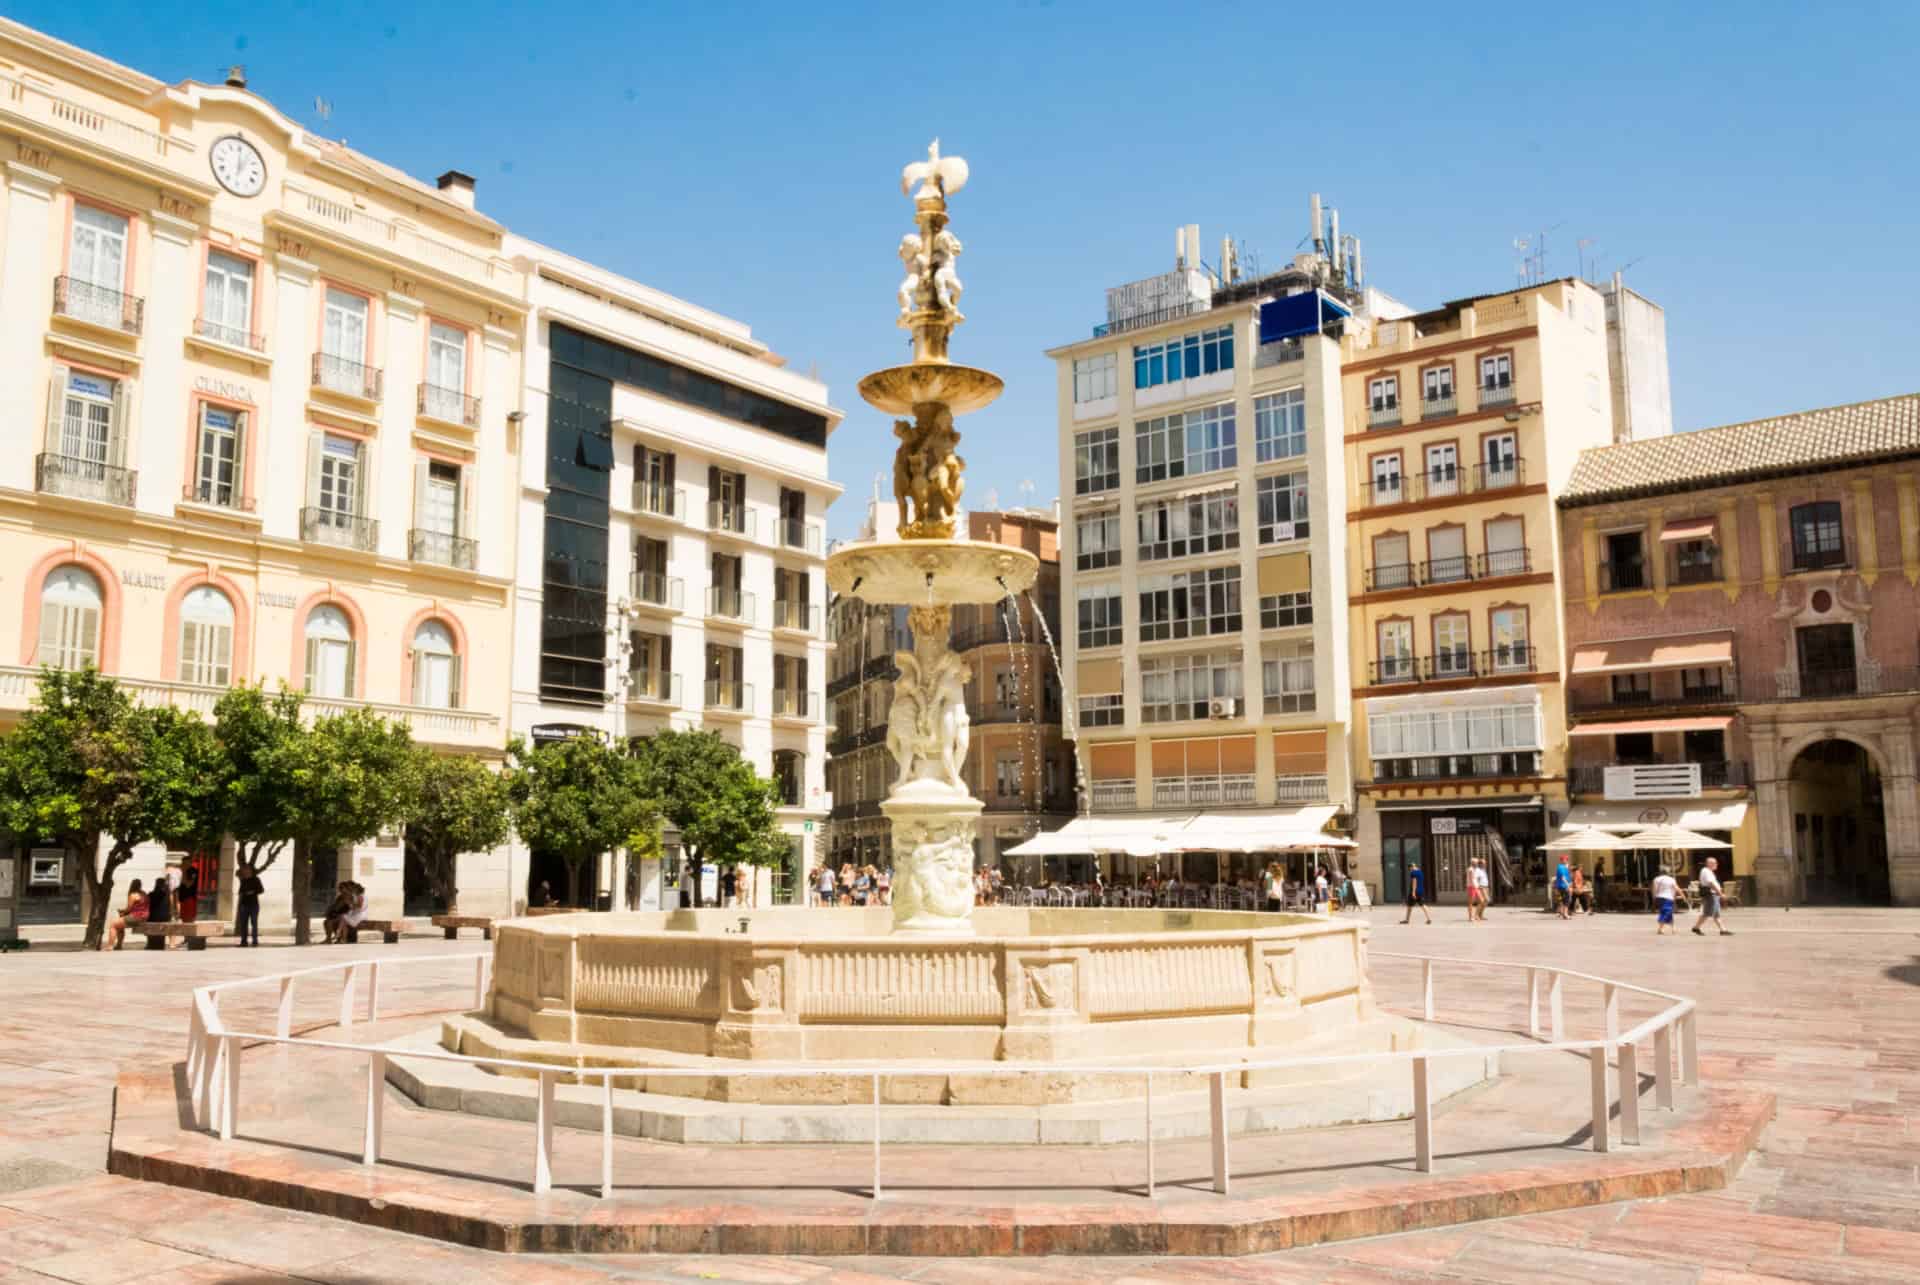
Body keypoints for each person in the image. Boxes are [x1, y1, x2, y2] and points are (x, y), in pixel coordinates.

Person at [1692, 856, 1731, 936]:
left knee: (1716, 913)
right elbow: (1711, 883)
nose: (1717, 864)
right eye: (1715, 863)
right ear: (1709, 864)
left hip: (1713, 894)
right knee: (1707, 913)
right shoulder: (1706, 871)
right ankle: (1696, 927)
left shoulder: (1708, 871)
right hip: (1711, 894)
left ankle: (1723, 930)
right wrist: (1720, 894)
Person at [104, 879, 148, 951]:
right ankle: (118, 945)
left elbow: (129, 909)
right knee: (120, 925)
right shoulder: (144, 894)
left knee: (113, 925)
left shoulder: (133, 895)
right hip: (145, 916)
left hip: (136, 916)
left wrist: (122, 912)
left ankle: (110, 946)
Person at [236, 863, 264, 947]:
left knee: (254, 923)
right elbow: (240, 892)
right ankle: (243, 941)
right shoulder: (243, 880)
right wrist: (240, 904)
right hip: (244, 905)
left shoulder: (256, 879)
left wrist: (253, 892)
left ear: (251, 870)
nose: (246, 871)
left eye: (247, 869)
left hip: (253, 905)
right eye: (245, 869)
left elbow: (261, 890)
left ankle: (255, 941)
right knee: (243, 924)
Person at [1651, 867, 1680, 935]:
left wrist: (1654, 897)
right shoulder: (1671, 879)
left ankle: (1673, 929)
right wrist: (1681, 896)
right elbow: (1676, 889)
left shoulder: (1656, 879)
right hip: (1668, 898)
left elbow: (1654, 889)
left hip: (1659, 898)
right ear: (1668, 872)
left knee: (1668, 912)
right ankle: (1660, 929)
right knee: (1666, 912)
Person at [1402, 860, 1431, 924]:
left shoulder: (1413, 873)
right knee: (1422, 905)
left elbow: (1414, 882)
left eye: (1409, 869)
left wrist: (1413, 892)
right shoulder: (1420, 872)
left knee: (1409, 906)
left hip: (1415, 891)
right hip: (1421, 891)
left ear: (1411, 867)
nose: (1410, 870)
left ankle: (1407, 920)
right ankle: (1428, 918)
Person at [1466, 857, 1489, 923]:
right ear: (1473, 863)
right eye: (1476, 862)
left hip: (1476, 887)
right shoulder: (1471, 869)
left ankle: (1476, 915)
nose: (1477, 863)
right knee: (1471, 903)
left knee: (1482, 901)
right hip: (1472, 887)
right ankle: (1471, 917)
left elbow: (1475, 879)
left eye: (1477, 862)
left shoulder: (1475, 869)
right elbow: (1471, 879)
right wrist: (1476, 886)